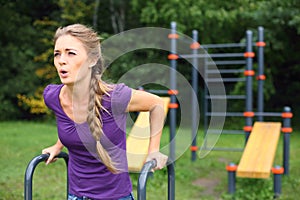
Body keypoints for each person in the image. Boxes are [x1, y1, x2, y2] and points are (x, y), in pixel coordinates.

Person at [42, 24, 168, 200]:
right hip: (76, 196)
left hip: (116, 196)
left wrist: (153, 150)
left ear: (92, 60)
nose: (62, 60)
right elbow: (72, 124)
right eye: (57, 54)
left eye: (71, 53)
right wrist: (58, 145)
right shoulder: (53, 97)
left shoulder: (114, 98)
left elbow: (156, 104)